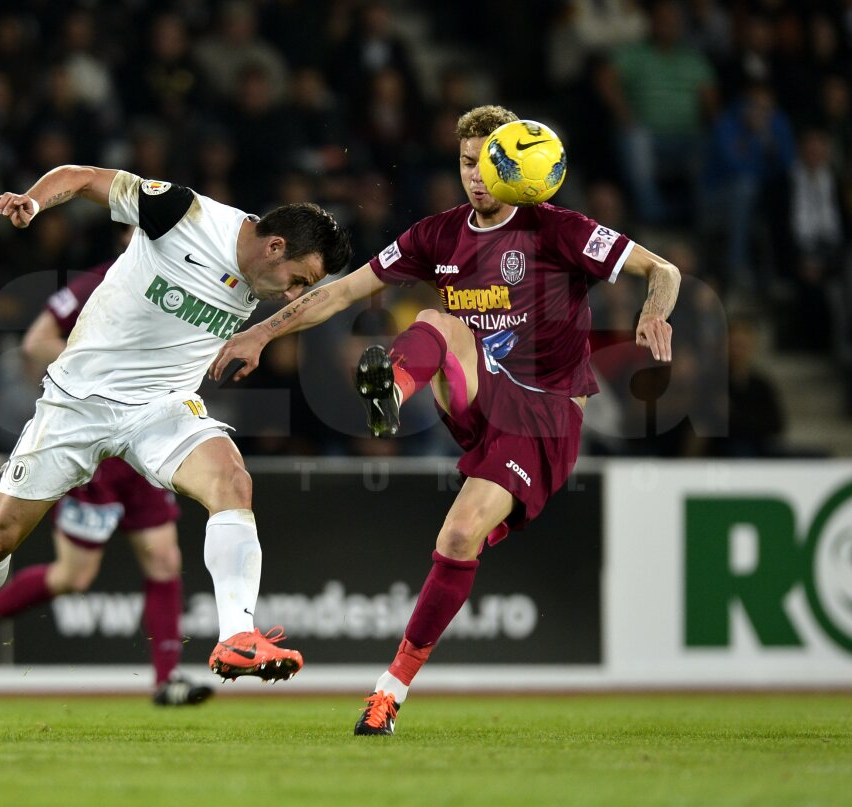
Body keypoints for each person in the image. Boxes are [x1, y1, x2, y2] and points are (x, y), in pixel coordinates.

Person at [210, 105, 680, 735]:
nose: (476, 176)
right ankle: (393, 396)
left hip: (544, 420)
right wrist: (262, 333)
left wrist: (655, 309)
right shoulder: (439, 235)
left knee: (457, 540)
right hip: (476, 399)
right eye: (465, 163)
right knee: (435, 323)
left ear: (515, 165)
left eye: (488, 163)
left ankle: (388, 692)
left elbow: (665, 270)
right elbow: (345, 291)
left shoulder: (557, 229)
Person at [0, 165, 351, 711]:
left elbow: (328, 300)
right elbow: (83, 177)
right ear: (274, 246)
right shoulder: (184, 214)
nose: (296, 293)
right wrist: (34, 201)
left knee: (232, 480)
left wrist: (263, 332)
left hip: (162, 409)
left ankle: (238, 634)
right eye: (299, 278)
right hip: (77, 404)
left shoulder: (270, 275)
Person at [0, 253, 214, 707]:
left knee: (164, 559)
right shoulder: (98, 283)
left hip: (148, 441)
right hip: (96, 449)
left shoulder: (184, 284)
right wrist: (109, 370)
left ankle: (167, 680)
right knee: (73, 576)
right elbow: (36, 343)